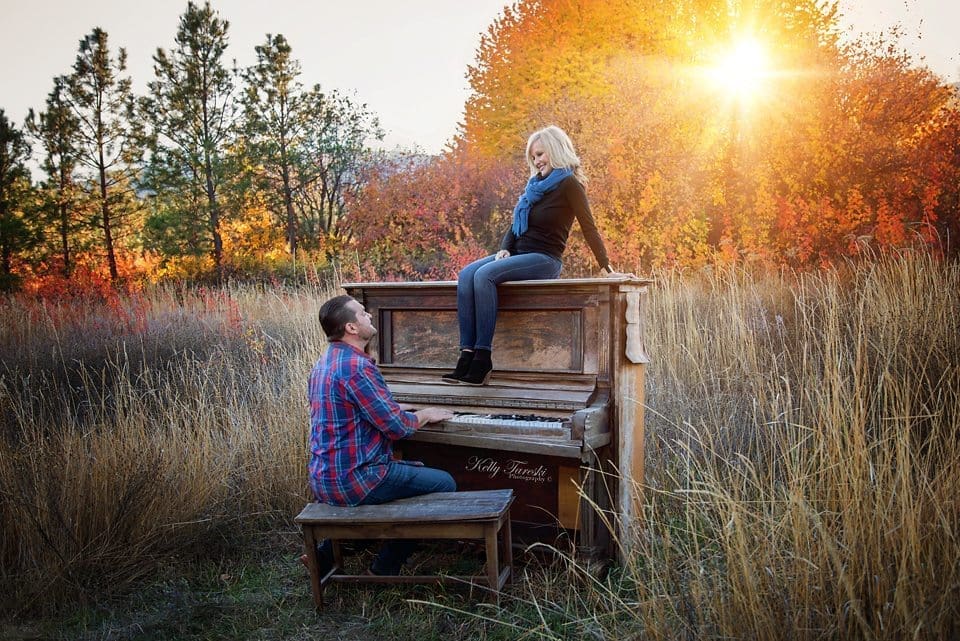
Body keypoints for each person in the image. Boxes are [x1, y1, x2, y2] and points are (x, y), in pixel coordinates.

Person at [442, 125, 631, 385]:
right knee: (466, 275)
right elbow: (514, 225)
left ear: (555, 150)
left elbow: (589, 226)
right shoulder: (534, 186)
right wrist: (505, 247)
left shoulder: (570, 185)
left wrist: (606, 266)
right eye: (533, 157)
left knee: (484, 276)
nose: (536, 161)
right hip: (517, 253)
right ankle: (466, 355)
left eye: (540, 154)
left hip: (544, 259)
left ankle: (482, 359)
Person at [307, 294, 455, 576]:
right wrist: (425, 414)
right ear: (351, 328)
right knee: (444, 483)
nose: (370, 316)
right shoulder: (358, 367)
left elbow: (355, 410)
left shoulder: (326, 362)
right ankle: (385, 566)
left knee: (408, 482)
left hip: (325, 476)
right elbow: (397, 428)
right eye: (363, 313)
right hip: (355, 479)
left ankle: (326, 554)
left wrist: (394, 407)